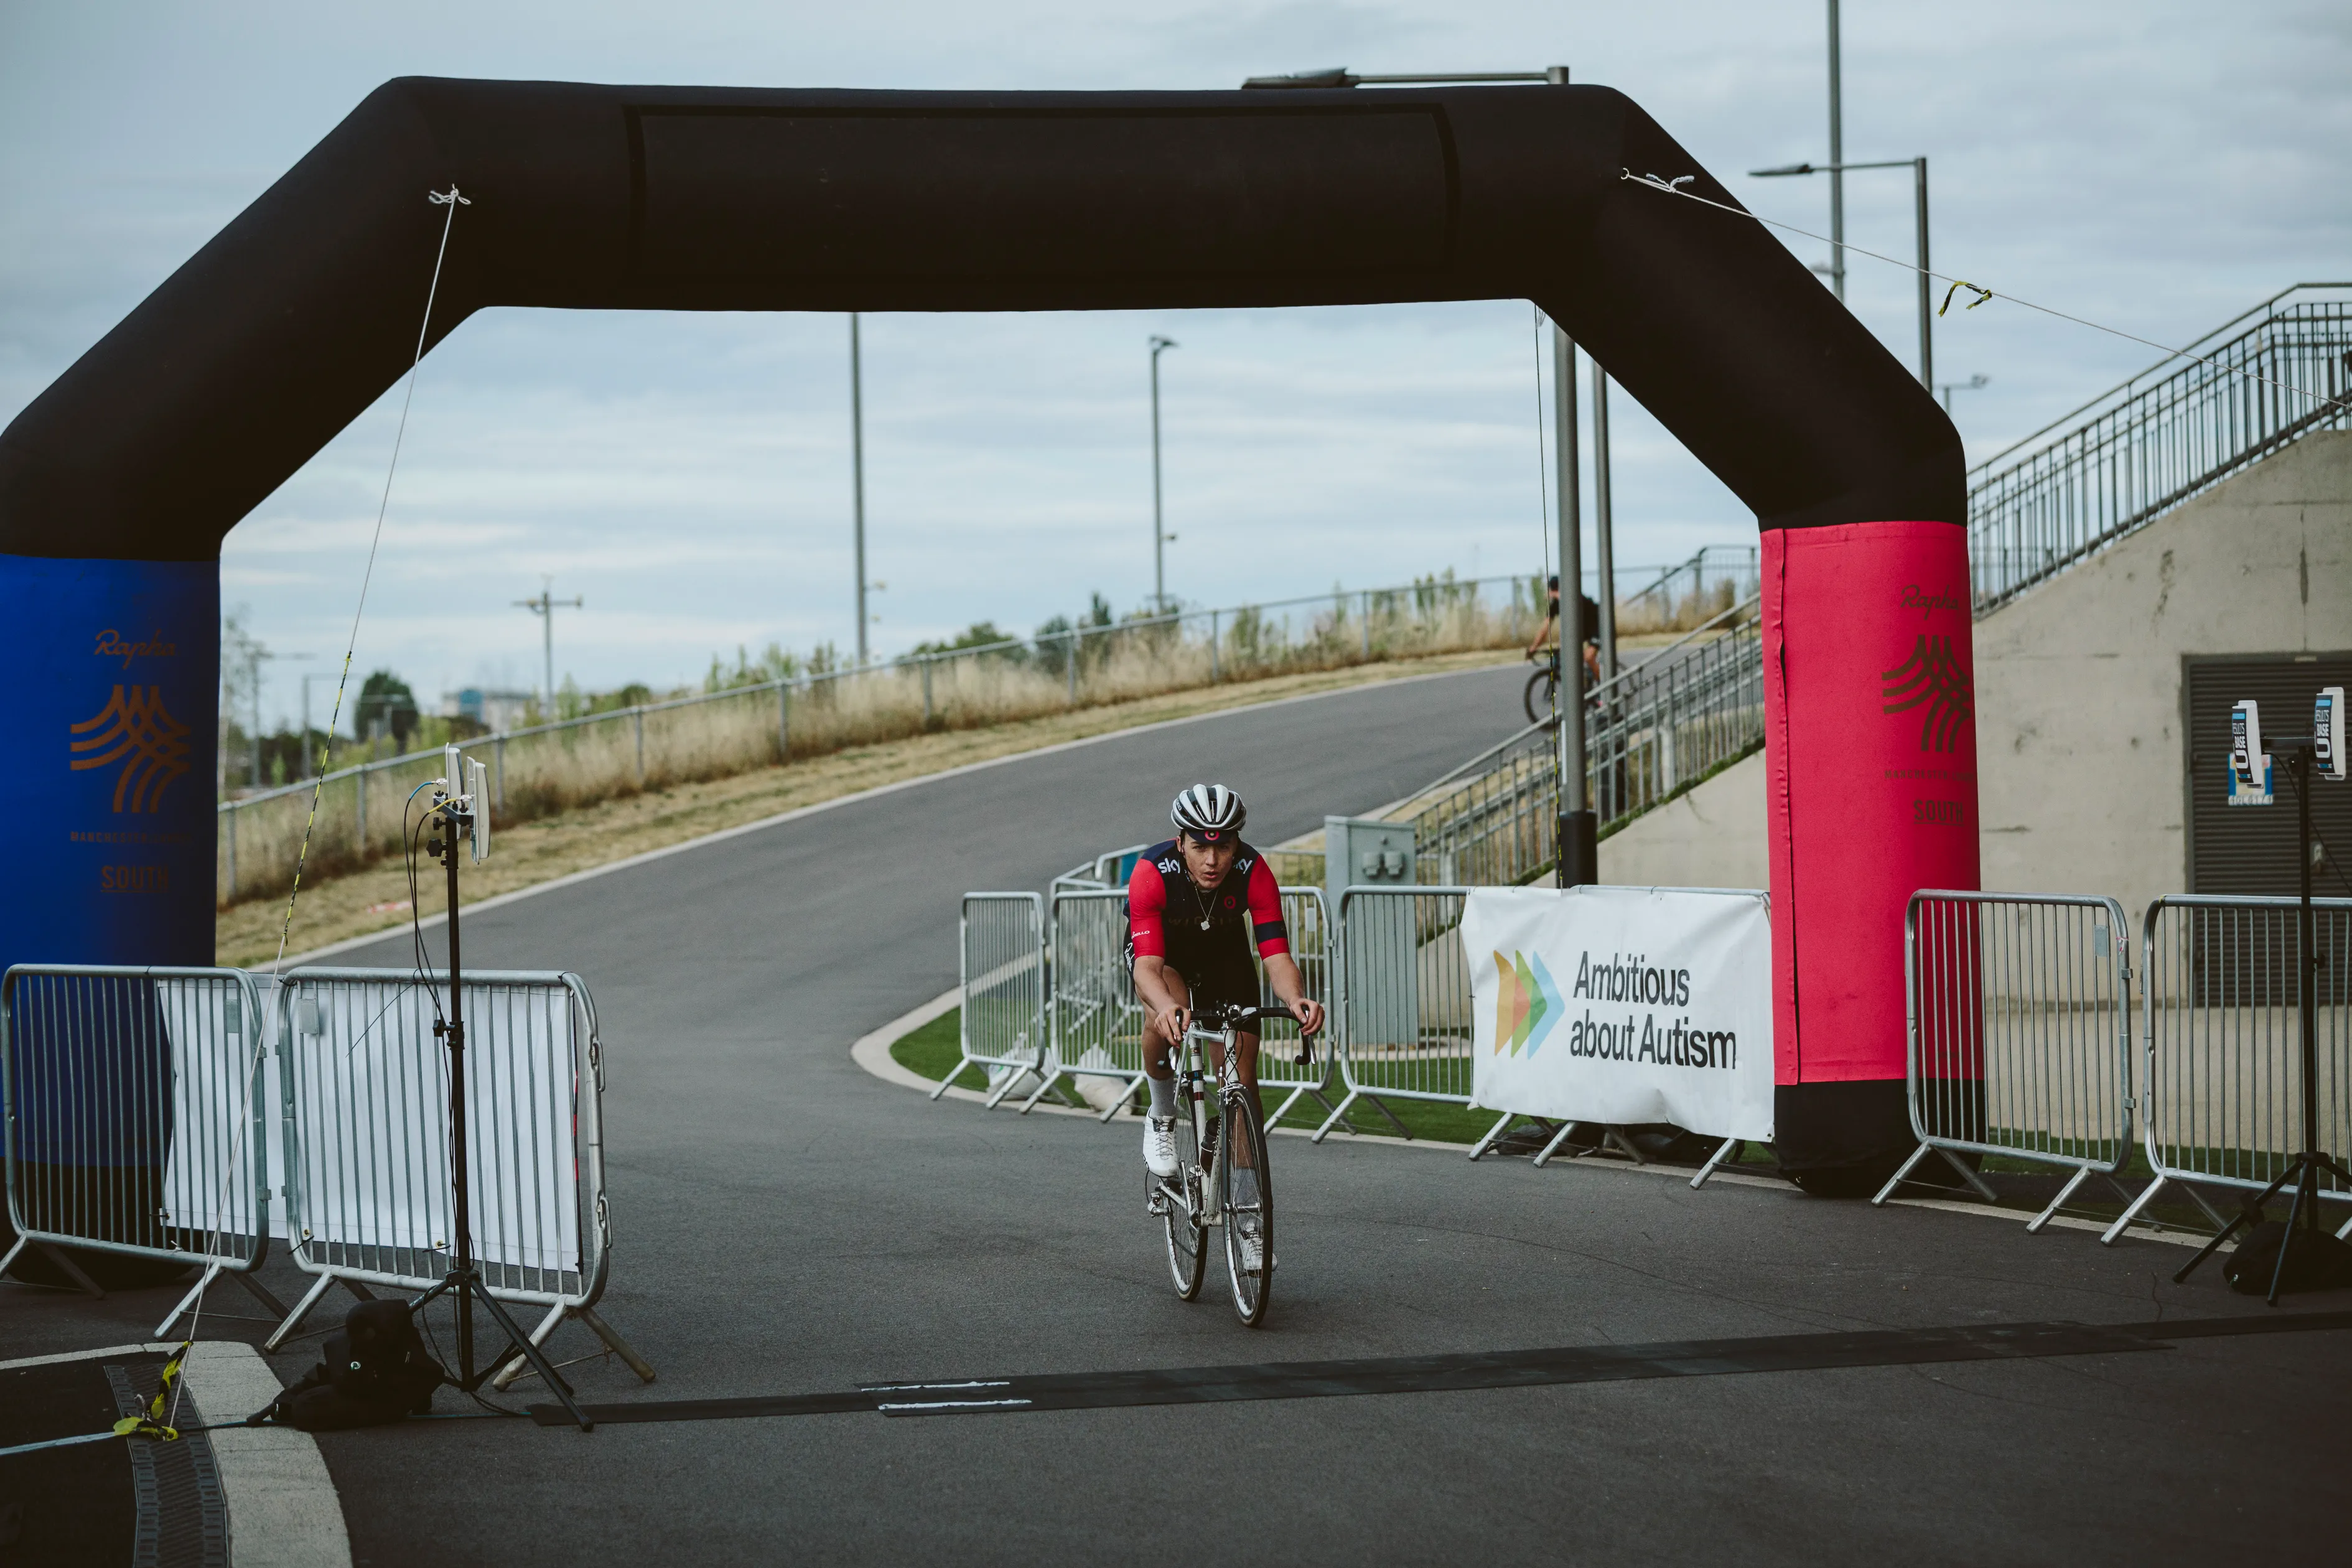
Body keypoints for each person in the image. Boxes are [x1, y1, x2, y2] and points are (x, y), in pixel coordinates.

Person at [1127, 783, 1324, 1270]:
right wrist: (1167, 1007)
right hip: (1163, 959)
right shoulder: (1153, 874)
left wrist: (1295, 997)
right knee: (1165, 1010)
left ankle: (1249, 1219)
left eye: (1223, 846)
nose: (1213, 859)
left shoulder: (1255, 872)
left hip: (1225, 962)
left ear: (1237, 844)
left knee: (1241, 1082)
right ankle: (1162, 1115)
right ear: (1181, 843)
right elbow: (1147, 968)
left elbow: (1275, 954)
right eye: (1201, 847)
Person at [1524, 574, 1603, 688]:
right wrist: (1534, 647)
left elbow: (1566, 601)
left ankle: (1605, 687)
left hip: (1596, 626)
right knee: (1569, 656)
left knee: (1588, 657)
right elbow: (1545, 629)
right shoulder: (1555, 604)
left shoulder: (1574, 597)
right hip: (1581, 630)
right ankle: (1585, 688)